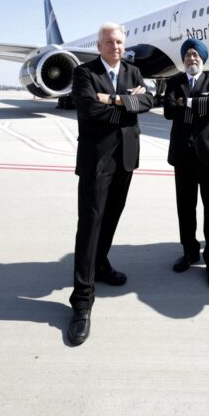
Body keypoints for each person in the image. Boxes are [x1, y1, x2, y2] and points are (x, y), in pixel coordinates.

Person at [68, 23, 153, 345]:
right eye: (108, 42)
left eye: (119, 41)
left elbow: (149, 102)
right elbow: (90, 110)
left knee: (113, 216)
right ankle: (81, 301)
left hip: (126, 159)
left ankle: (100, 264)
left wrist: (113, 100)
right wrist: (127, 104)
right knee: (90, 223)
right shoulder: (84, 73)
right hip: (97, 160)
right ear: (99, 44)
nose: (114, 46)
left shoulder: (133, 71)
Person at [163, 38, 209, 289]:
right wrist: (202, 104)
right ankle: (190, 251)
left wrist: (186, 103)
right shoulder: (174, 82)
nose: (192, 58)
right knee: (185, 207)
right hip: (183, 155)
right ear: (183, 59)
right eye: (188, 55)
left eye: (195, 54)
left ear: (202, 58)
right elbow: (168, 110)